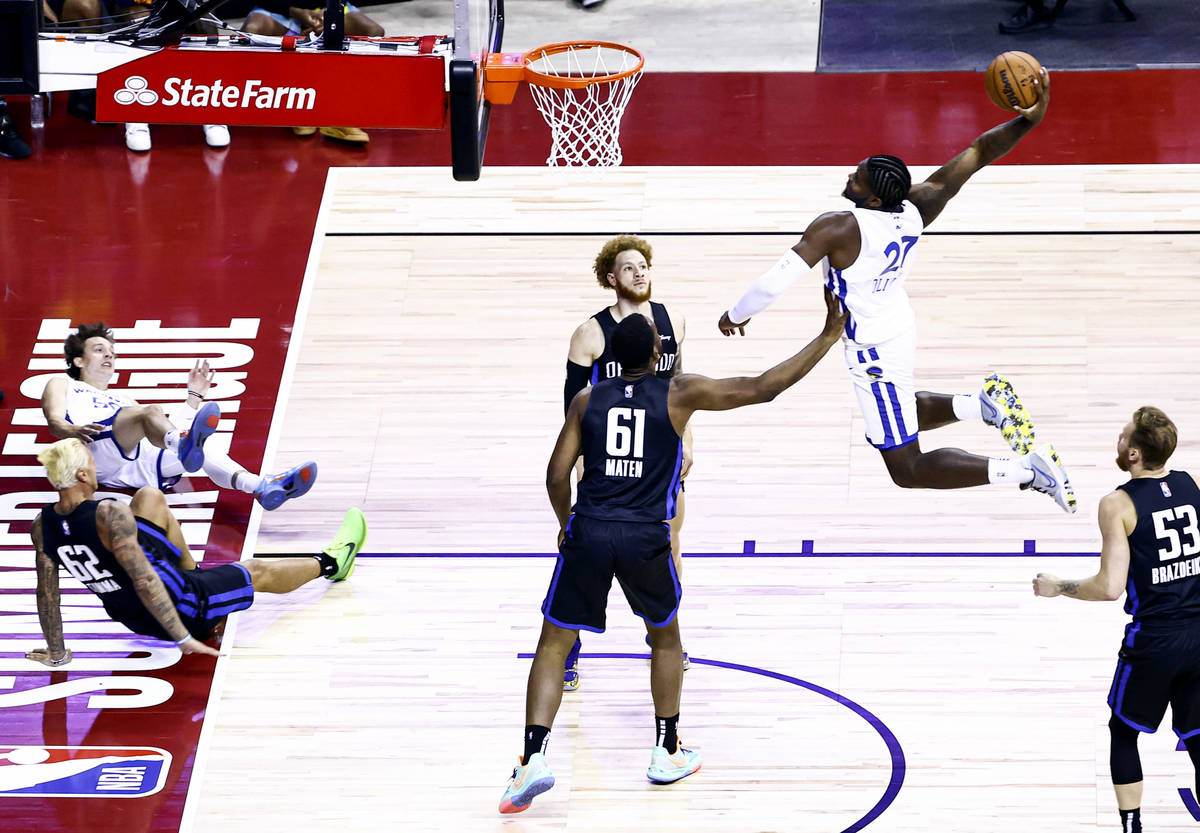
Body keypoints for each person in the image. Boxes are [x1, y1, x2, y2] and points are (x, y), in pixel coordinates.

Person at [498, 288, 847, 814]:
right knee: (664, 641)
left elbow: (554, 475)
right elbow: (761, 388)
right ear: (659, 347)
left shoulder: (587, 400)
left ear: (611, 356)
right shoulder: (678, 393)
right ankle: (666, 750)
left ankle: (532, 759)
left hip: (589, 531)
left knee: (552, 645)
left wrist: (565, 522)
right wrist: (826, 334)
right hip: (645, 537)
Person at [717, 67, 1076, 514]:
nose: (851, 174)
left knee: (906, 467)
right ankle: (981, 406)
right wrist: (1030, 120)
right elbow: (979, 151)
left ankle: (1028, 471)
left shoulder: (838, 228)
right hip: (896, 323)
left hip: (869, 343)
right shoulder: (917, 205)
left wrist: (735, 313)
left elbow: (774, 282)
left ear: (871, 200)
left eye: (858, 178)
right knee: (899, 410)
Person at [25, 438, 365, 666]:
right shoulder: (107, 514)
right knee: (253, 570)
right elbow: (144, 581)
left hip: (130, 617)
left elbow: (47, 593)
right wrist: (185, 636)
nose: (97, 468)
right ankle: (333, 562)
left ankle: (195, 572)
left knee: (149, 497)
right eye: (92, 463)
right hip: (182, 606)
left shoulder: (43, 524)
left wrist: (57, 653)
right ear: (82, 474)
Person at [1033, 407, 1193, 833]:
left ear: (1136, 453)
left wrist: (1059, 586)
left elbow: (1109, 587)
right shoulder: (1190, 484)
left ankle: (1131, 827)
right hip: (1198, 633)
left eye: (1123, 438)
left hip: (1155, 638)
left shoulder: (1117, 504)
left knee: (1123, 733)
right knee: (1197, 735)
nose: (1118, 442)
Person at [561, 235, 692, 691]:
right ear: (611, 279)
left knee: (670, 544)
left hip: (657, 458)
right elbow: (572, 408)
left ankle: (665, 639)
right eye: (629, 267)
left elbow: (681, 388)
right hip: (607, 464)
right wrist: (580, 461)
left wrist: (688, 441)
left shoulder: (671, 320)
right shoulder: (590, 333)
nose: (640, 272)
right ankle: (568, 648)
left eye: (644, 266)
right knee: (580, 554)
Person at [41, 321, 317, 509]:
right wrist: (69, 431)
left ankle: (261, 487)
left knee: (204, 444)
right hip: (90, 449)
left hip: (133, 465)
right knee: (151, 416)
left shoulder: (123, 399)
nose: (109, 356)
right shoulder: (63, 383)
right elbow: (54, 420)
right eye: (99, 350)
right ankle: (182, 445)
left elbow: (159, 437)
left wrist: (193, 398)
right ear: (78, 361)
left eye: (112, 352)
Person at [241, 2, 383, 145]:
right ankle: (294, 103)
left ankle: (341, 113)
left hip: (325, 6)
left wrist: (328, 12)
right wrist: (295, 12)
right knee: (253, 30)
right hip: (280, 7)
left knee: (373, 32)